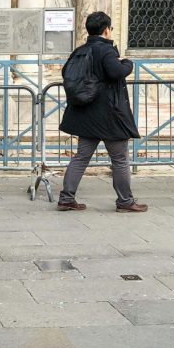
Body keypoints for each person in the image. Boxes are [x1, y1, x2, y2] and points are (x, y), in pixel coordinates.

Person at [57, 11, 147, 213]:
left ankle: (66, 198)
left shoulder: (80, 51)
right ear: (106, 30)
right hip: (109, 115)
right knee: (120, 158)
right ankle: (125, 202)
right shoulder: (106, 51)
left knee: (81, 157)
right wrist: (127, 62)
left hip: (86, 115)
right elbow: (116, 72)